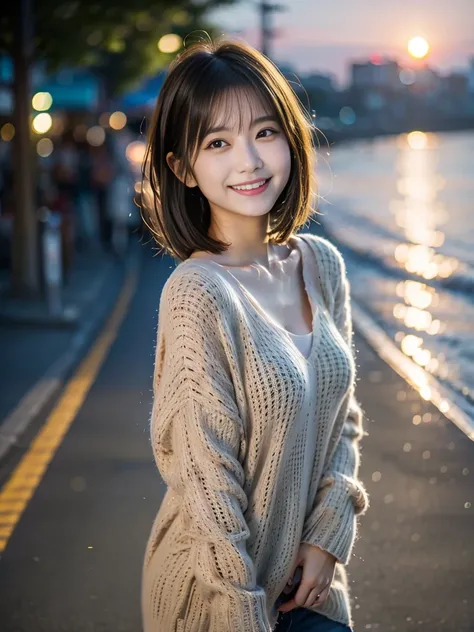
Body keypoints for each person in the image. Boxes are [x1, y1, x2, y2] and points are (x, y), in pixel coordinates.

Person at [140, 37, 370, 632]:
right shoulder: (198, 293)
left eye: (265, 132)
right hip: (218, 598)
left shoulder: (321, 264)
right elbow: (206, 482)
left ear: (290, 138)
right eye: (218, 143)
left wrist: (328, 536)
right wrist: (243, 612)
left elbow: (343, 420)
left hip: (310, 587)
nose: (250, 160)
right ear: (183, 168)